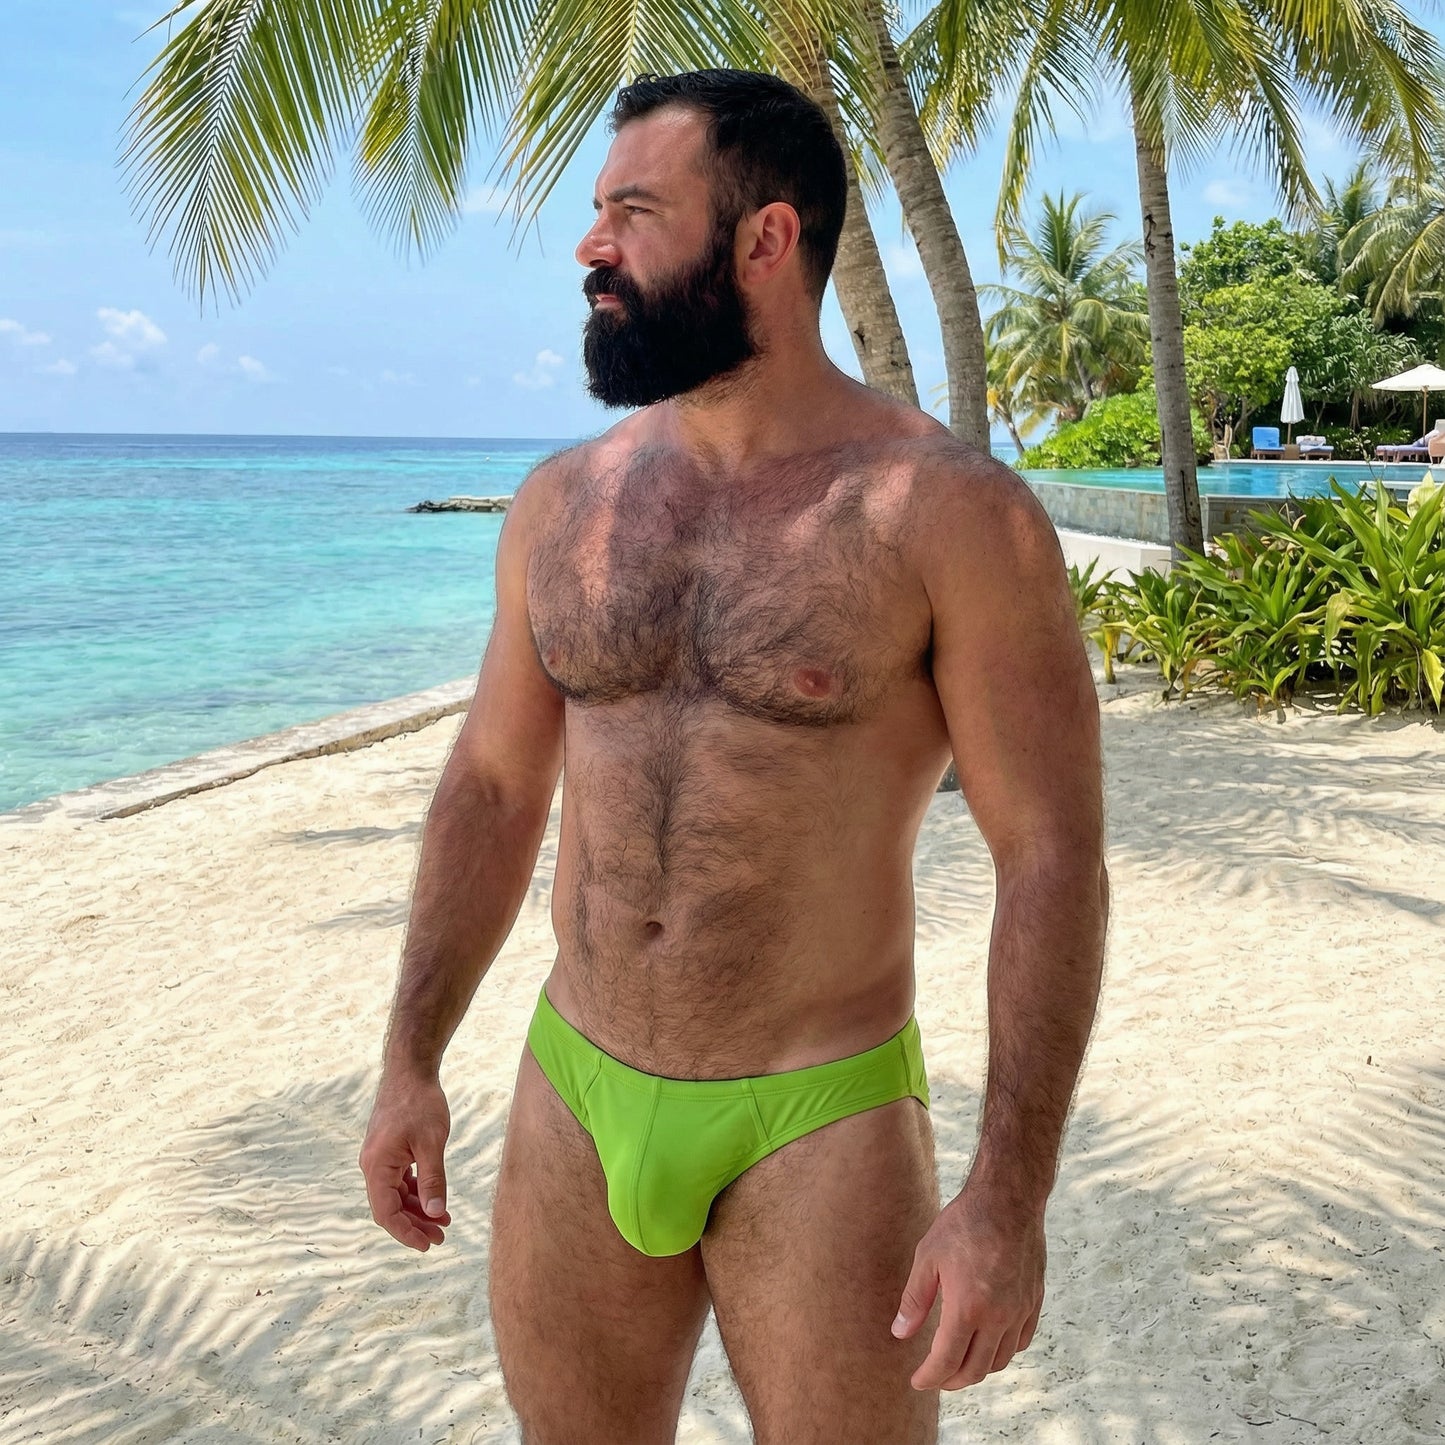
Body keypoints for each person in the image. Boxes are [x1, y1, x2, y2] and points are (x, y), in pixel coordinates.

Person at [360, 68, 1108, 1444]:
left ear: (764, 240)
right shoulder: (560, 506)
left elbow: (1048, 854)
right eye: (598, 212)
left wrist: (1006, 1197)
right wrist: (411, 1055)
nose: (592, 247)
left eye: (633, 212)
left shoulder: (943, 514)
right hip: (577, 1084)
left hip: (814, 1113)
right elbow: (492, 785)